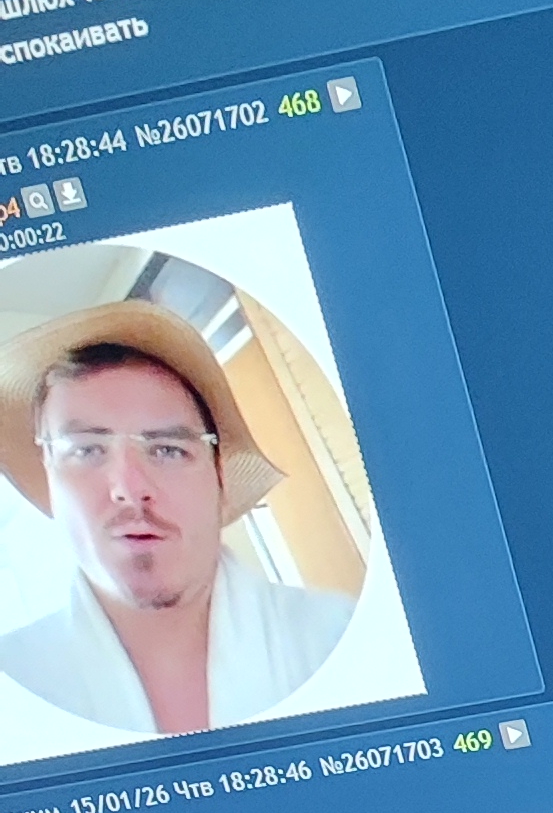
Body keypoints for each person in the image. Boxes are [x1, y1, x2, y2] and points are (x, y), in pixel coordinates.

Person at [0, 300, 351, 737]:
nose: (129, 487)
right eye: (86, 450)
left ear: (220, 478)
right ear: (49, 477)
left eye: (168, 449)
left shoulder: (344, 641)